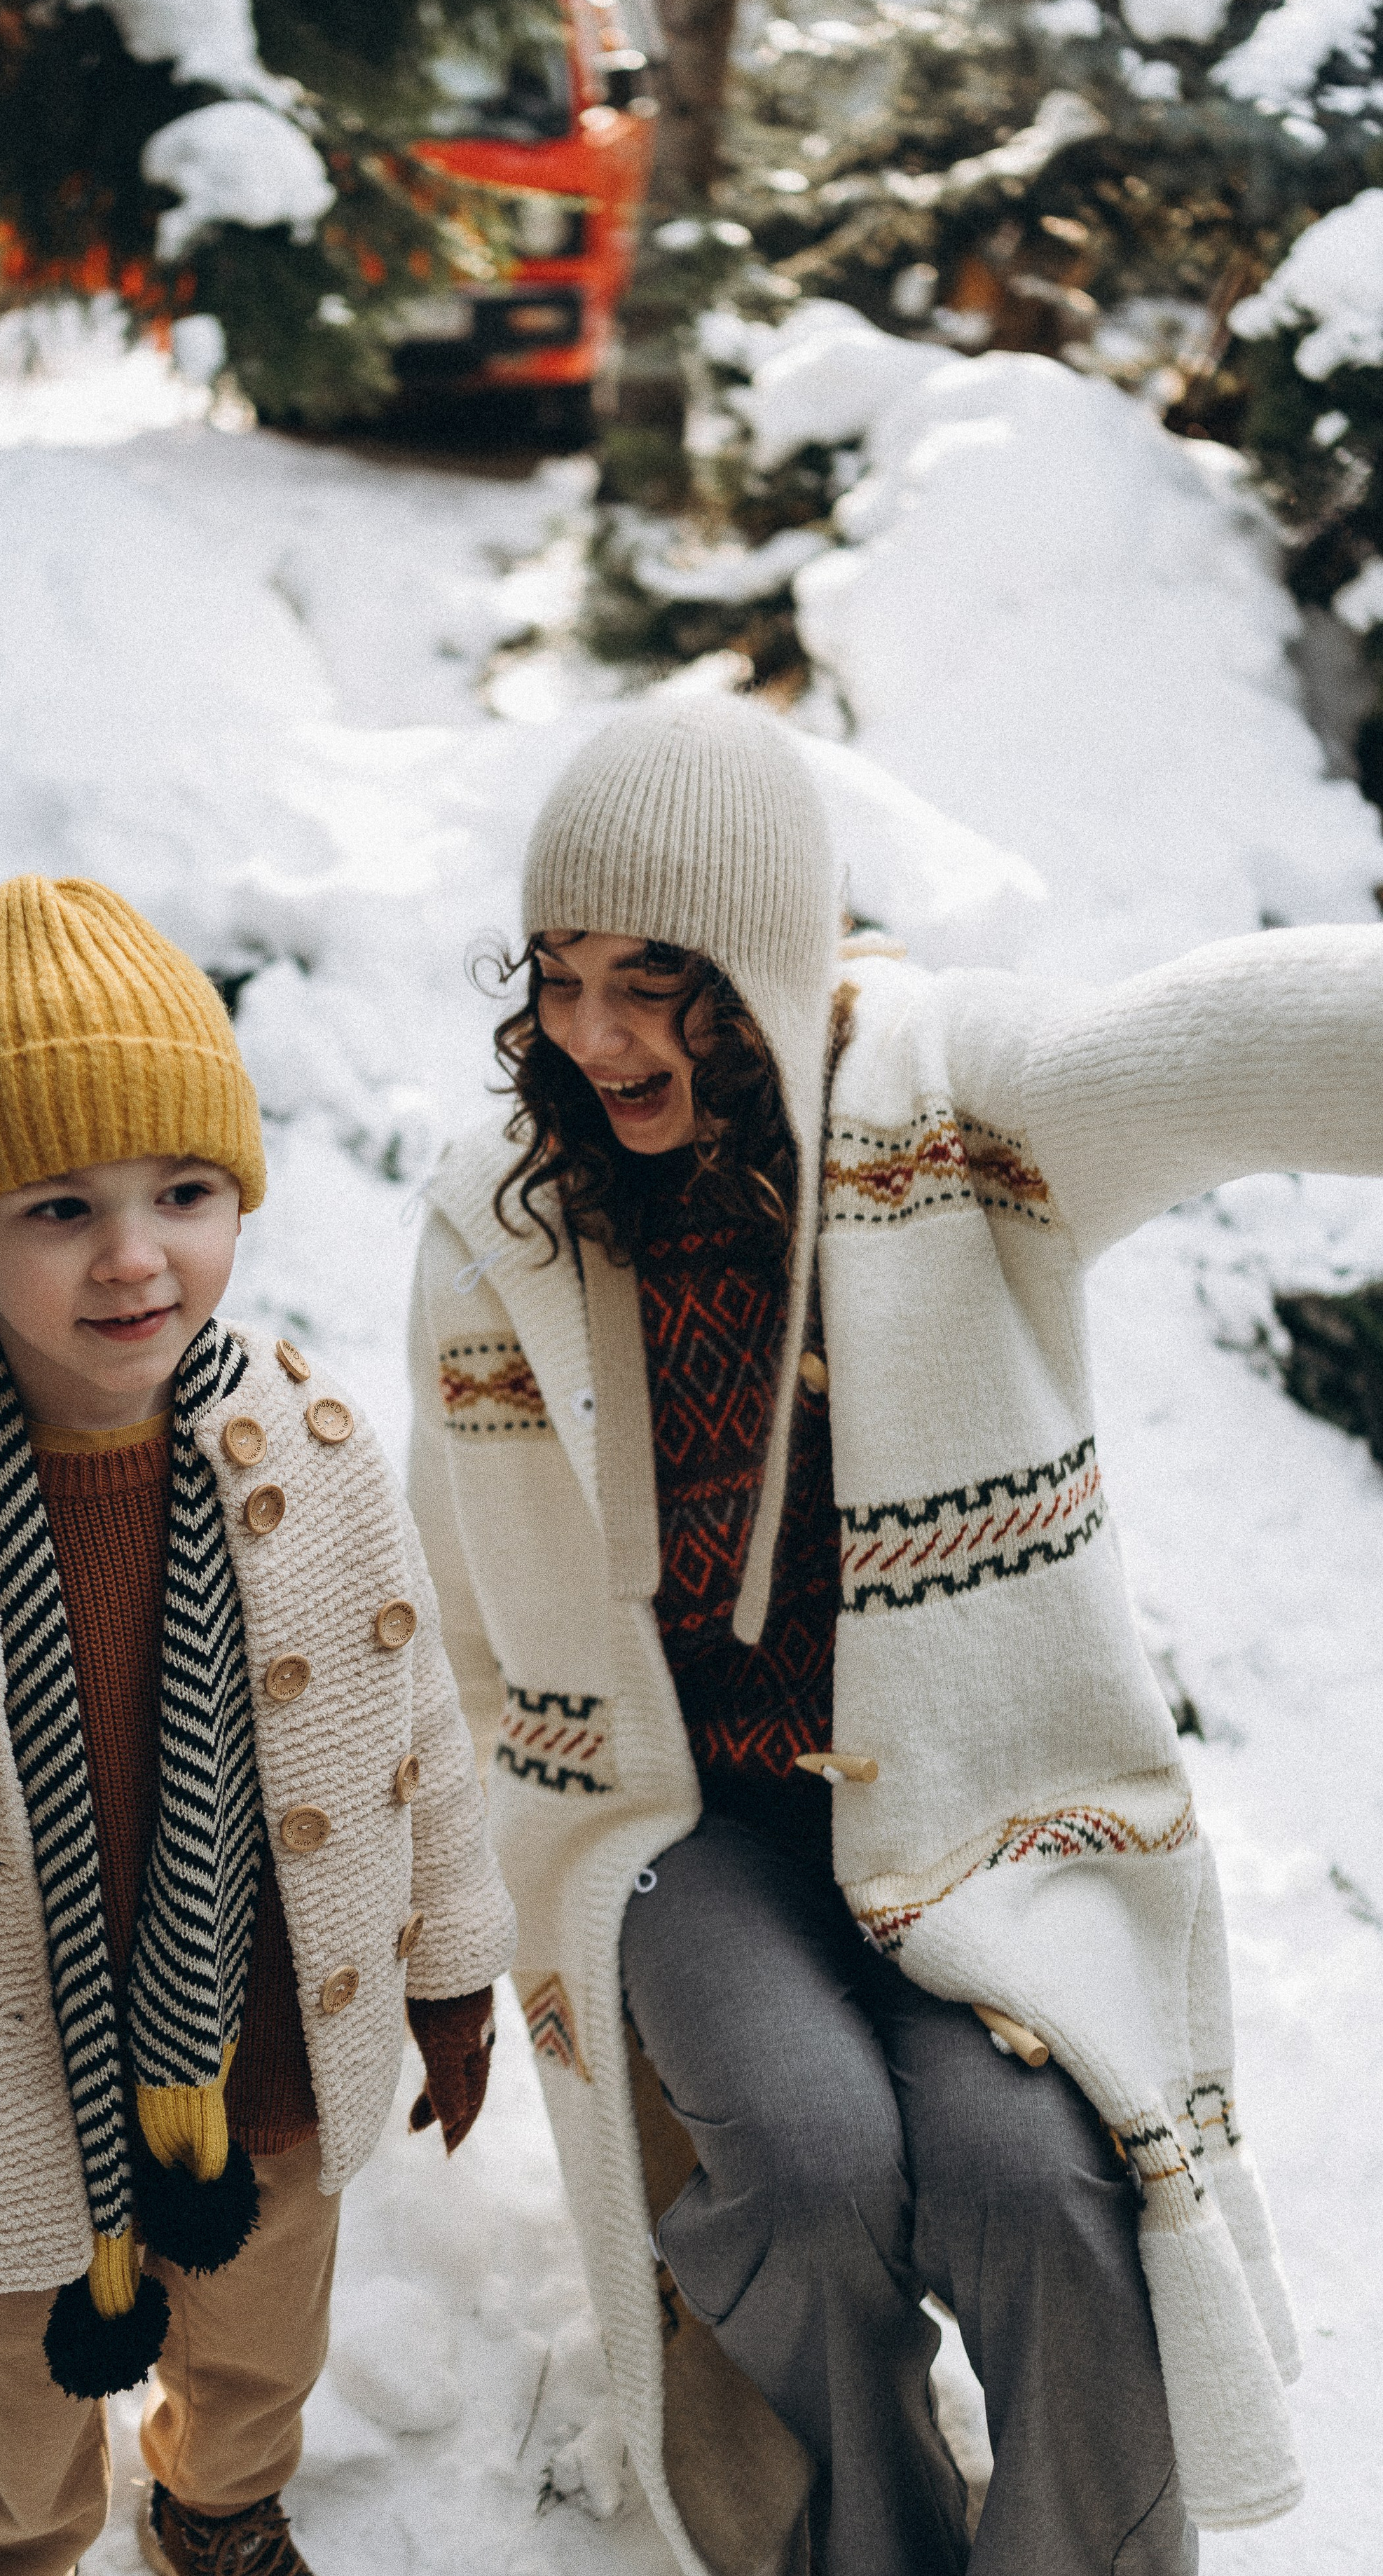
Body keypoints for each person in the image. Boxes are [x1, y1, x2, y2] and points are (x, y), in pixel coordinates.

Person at [407, 690, 1383, 2576]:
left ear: (754, 968)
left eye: (651, 981)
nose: (592, 1035)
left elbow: (1226, 1050)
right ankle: (857, 2545)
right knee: (807, 2154)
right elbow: (467, 1611)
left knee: (1036, 2183)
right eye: (558, 976)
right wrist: (470, 1914)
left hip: (974, 1800)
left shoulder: (952, 1100)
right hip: (682, 1830)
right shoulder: (496, 1226)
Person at [0, 875, 514, 2576]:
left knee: (259, 2339)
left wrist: (449, 1964)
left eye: (187, 1191)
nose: (135, 1256)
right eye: (60, 1206)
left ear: (243, 1196)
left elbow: (412, 1717)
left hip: (266, 2046)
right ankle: (10, 2554)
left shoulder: (309, 1448)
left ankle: (218, 2506)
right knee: (4, 2395)